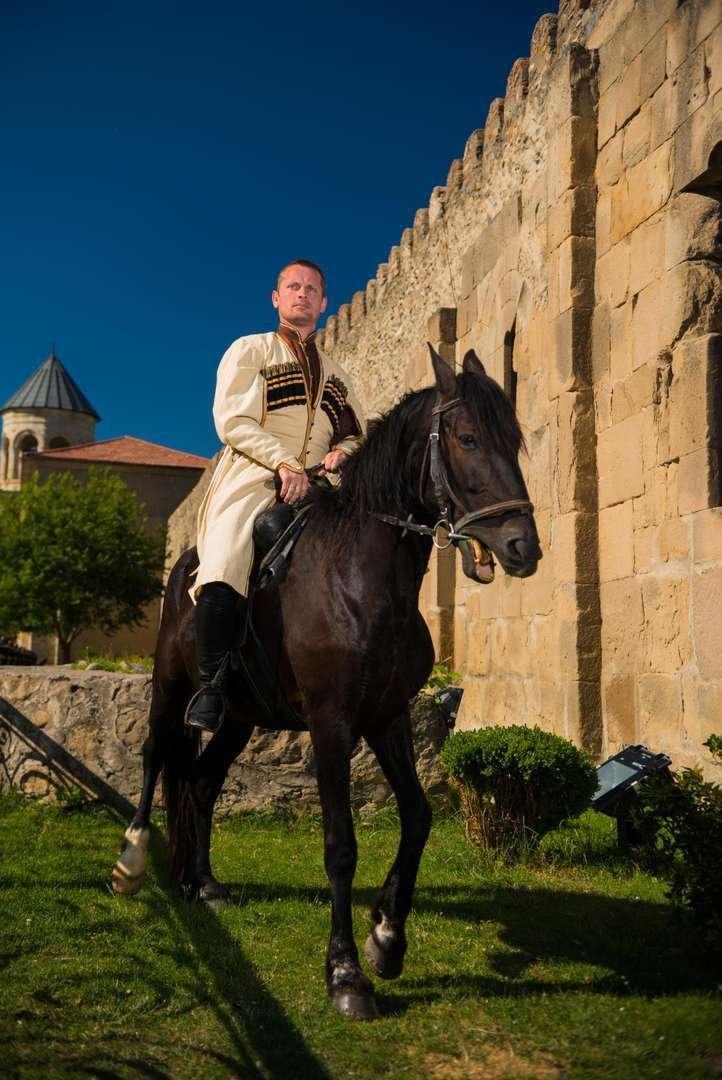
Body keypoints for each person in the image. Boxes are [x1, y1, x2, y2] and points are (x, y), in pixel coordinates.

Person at [185, 259, 365, 733]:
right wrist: (282, 462)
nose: (302, 294)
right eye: (293, 287)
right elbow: (233, 421)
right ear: (276, 298)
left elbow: (354, 432)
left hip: (319, 487)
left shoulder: (338, 373)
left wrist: (342, 453)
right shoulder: (250, 350)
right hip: (253, 474)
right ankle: (212, 686)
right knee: (225, 560)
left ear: (324, 303)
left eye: (311, 289)